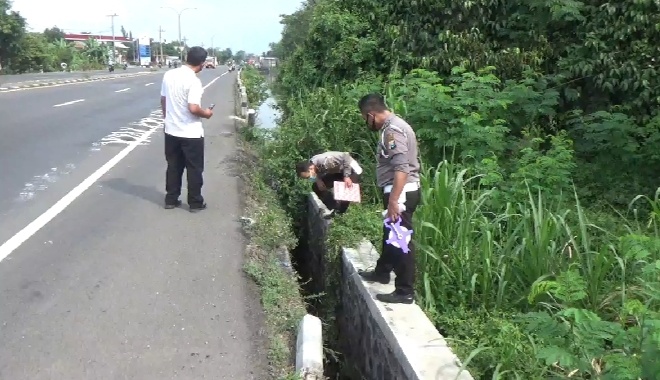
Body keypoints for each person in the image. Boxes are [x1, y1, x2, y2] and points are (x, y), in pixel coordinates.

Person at [356, 93, 421, 304]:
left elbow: (402, 168)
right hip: (400, 191)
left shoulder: (391, 131)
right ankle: (382, 272)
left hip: (400, 192)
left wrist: (394, 201)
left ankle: (405, 291)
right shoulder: (396, 125)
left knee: (402, 242)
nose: (366, 122)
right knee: (390, 235)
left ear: (371, 114)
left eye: (365, 118)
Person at [160, 46, 214, 212]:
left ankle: (171, 199)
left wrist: (166, 118)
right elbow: (193, 108)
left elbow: (163, 99)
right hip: (190, 133)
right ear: (202, 64)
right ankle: (195, 202)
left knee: (173, 166)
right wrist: (207, 113)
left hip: (171, 130)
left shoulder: (169, 75)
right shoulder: (194, 81)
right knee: (194, 169)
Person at [296, 151, 363, 218]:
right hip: (337, 171)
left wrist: (346, 176)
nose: (309, 178)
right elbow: (317, 172)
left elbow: (346, 156)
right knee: (316, 187)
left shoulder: (326, 160)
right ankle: (333, 207)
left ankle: (340, 214)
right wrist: (318, 180)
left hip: (350, 169)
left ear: (310, 168)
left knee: (345, 193)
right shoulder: (312, 162)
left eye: (308, 177)